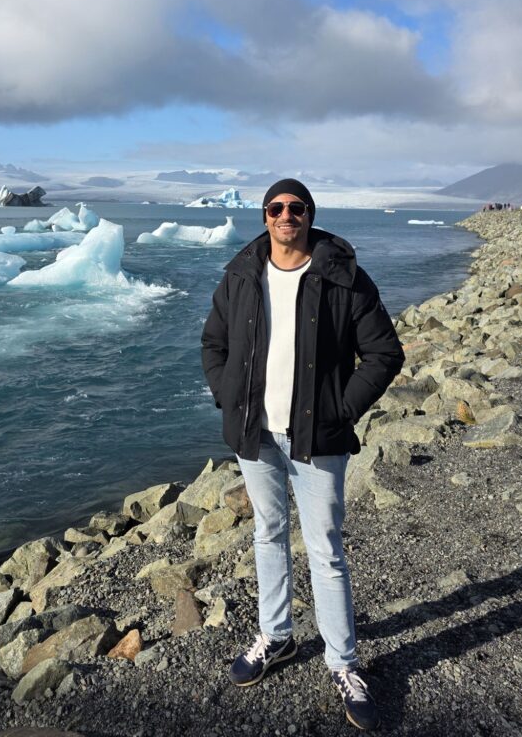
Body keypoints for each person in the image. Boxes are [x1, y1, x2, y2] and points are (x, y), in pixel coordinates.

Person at [201, 178, 404, 731]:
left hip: (319, 438)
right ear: (264, 216)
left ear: (310, 215)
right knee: (267, 534)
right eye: (276, 208)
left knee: (326, 549)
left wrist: (340, 409)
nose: (286, 215)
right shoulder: (242, 274)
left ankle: (343, 664)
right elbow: (214, 343)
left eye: (296, 208)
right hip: (256, 434)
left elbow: (385, 352)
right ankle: (278, 637)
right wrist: (228, 397)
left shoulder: (343, 275)